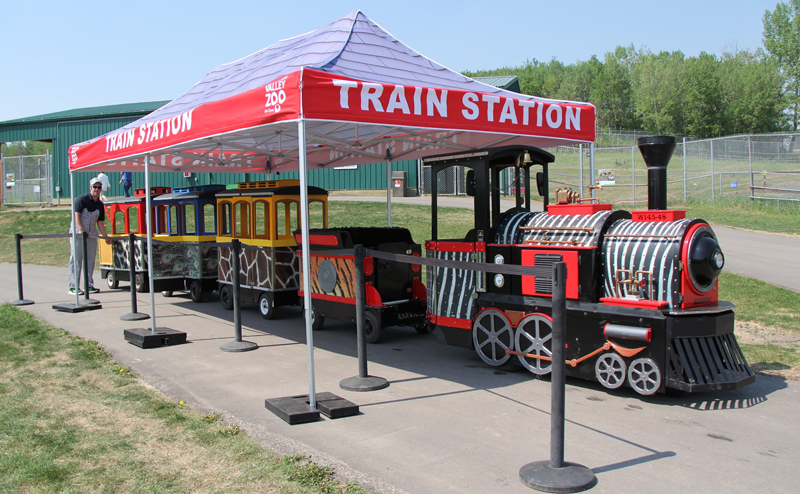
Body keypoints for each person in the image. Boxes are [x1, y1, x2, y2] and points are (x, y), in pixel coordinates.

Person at [67, 177, 111, 295]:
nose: (97, 189)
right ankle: (73, 286)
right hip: (78, 233)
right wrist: (81, 230)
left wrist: (106, 236)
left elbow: (100, 222)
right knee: (76, 259)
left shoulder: (100, 205)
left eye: (99, 187)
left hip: (92, 234)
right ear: (90, 188)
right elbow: (76, 215)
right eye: (95, 187)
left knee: (90, 259)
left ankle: (89, 285)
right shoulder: (82, 199)